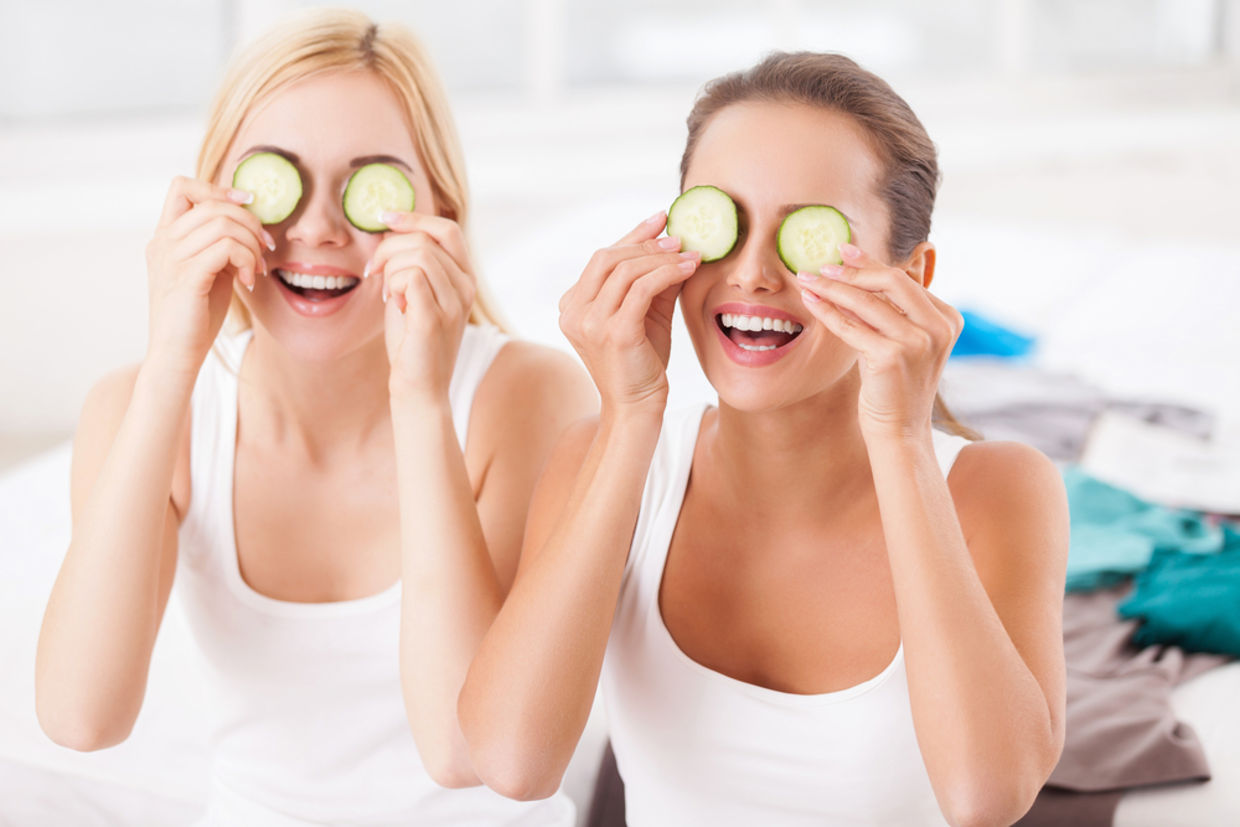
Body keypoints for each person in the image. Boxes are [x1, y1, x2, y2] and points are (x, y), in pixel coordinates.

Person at [459, 52, 1069, 826]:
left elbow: (987, 797)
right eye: (723, 223)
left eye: (807, 236)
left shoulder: (1001, 488)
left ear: (912, 277)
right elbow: (512, 762)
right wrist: (633, 411)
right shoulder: (599, 456)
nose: (751, 273)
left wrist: (903, 438)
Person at [34, 9, 593, 824]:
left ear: (438, 208)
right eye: (278, 181)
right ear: (212, 199)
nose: (318, 228)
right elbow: (81, 714)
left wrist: (420, 397)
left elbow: (461, 750)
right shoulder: (138, 408)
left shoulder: (529, 397)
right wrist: (171, 365)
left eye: (368, 188)